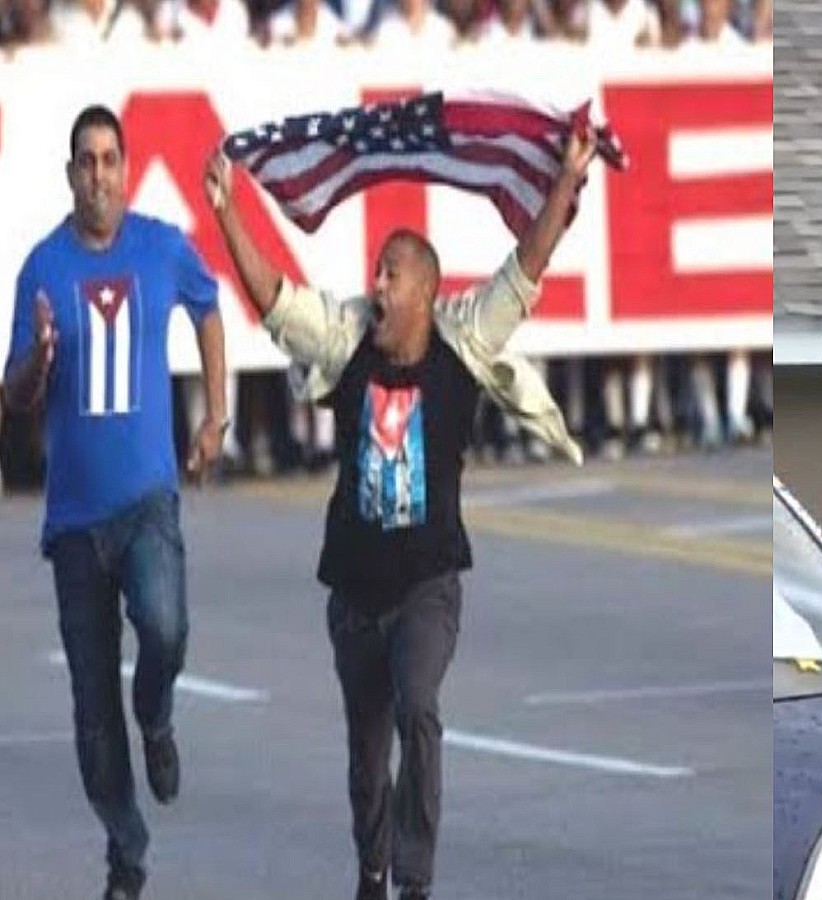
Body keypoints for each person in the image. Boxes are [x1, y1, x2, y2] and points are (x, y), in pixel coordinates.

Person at [203, 124, 593, 900]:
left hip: (428, 586)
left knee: (419, 707)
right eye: (376, 273)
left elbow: (527, 270)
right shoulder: (349, 339)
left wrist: (568, 176)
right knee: (364, 756)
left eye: (390, 275)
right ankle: (373, 871)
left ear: (423, 291)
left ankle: (415, 881)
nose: (375, 285)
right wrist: (226, 210)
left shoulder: (463, 342)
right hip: (353, 593)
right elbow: (275, 300)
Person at [3, 104, 228, 900]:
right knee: (92, 715)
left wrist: (217, 410)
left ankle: (158, 716)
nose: (99, 175)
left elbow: (208, 306)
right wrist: (36, 364)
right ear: (70, 175)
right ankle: (125, 853)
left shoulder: (161, 247)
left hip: (146, 500)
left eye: (110, 159)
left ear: (125, 169)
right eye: (85, 162)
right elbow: (15, 394)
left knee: (166, 629)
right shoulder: (41, 268)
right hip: (73, 523)